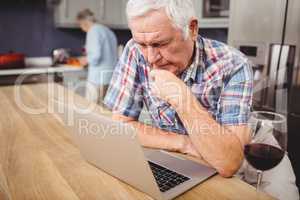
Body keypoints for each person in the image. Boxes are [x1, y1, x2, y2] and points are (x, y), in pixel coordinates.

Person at [104, 0, 299, 199]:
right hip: (198, 156)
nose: (151, 58)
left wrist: (181, 98)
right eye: (142, 44)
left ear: (192, 29)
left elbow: (228, 162)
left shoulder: (233, 64)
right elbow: (122, 125)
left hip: (258, 150)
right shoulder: (136, 51)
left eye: (160, 43)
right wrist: (184, 143)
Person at [77, 9, 118, 104]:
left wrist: (85, 60)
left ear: (84, 21)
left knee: (92, 109)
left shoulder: (93, 31)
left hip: (97, 78)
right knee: (104, 109)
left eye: (80, 24)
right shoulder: (108, 31)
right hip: (110, 77)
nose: (81, 27)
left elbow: (95, 56)